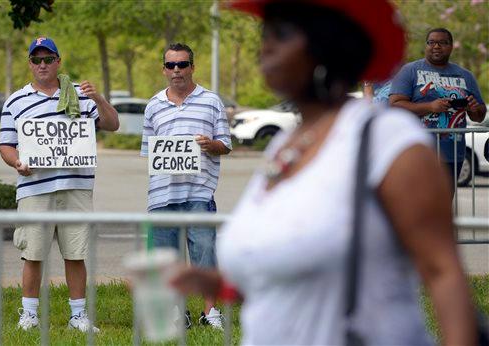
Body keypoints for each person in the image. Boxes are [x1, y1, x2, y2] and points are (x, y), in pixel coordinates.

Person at [169, 1, 478, 345]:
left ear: (328, 46)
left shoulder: (385, 139)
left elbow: (444, 274)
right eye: (265, 33)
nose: (265, 46)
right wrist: (214, 285)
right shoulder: (285, 144)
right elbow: (292, 282)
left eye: (281, 33)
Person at [0, 37, 119, 332]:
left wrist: (99, 98)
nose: (42, 65)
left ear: (58, 61)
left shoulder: (79, 94)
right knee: (33, 253)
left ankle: (78, 315)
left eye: (48, 59)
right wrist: (17, 163)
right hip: (35, 187)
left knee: (76, 253)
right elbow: (6, 145)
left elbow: (112, 124)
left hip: (76, 186)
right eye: (36, 60)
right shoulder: (16, 101)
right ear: (29, 63)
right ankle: (29, 314)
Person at [140, 43, 232, 329]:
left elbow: (225, 145)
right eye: (171, 65)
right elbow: (149, 152)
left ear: (193, 66)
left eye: (182, 64)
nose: (176, 70)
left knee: (205, 251)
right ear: (163, 69)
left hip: (199, 192)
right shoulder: (153, 105)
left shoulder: (212, 101)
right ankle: (176, 311)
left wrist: (210, 144)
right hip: (162, 195)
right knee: (166, 259)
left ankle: (211, 312)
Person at [389, 28, 486, 190]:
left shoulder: (465, 76)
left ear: (451, 46)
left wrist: (473, 108)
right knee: (416, 204)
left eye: (442, 43)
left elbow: (479, 116)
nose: (436, 46)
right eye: (431, 42)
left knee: (442, 205)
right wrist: (430, 106)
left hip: (452, 153)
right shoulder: (410, 71)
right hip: (416, 152)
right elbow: (394, 106)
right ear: (426, 46)